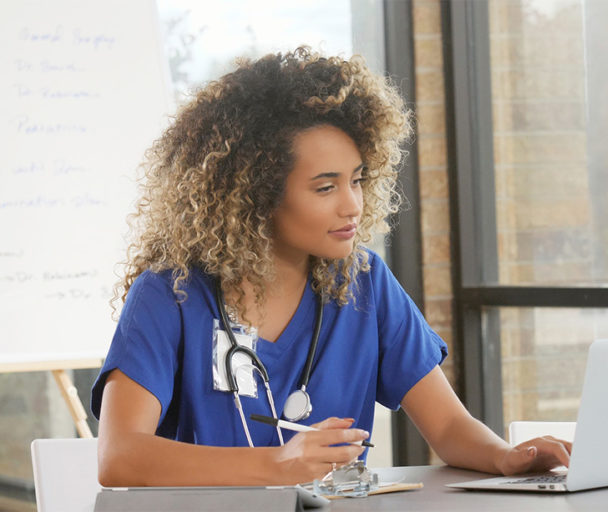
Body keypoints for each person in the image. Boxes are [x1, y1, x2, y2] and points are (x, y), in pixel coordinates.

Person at [91, 47, 571, 487]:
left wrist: (507, 457)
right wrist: (279, 465)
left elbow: (446, 426)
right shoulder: (169, 294)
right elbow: (119, 456)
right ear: (256, 196)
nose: (353, 206)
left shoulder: (363, 281)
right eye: (325, 188)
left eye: (357, 181)